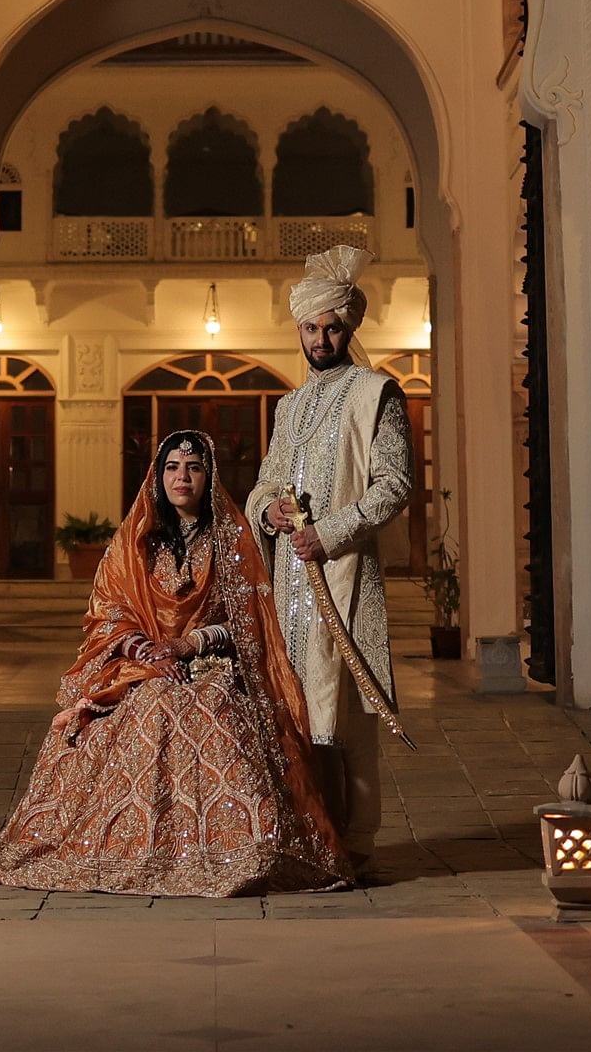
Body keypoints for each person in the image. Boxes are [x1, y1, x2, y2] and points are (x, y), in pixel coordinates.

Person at [0, 430, 347, 896]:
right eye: (172, 467)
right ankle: (132, 844)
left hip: (212, 665)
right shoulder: (135, 540)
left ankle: (231, 847)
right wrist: (146, 651)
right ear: (158, 475)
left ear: (208, 476)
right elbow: (108, 612)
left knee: (211, 706)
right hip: (142, 666)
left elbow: (251, 622)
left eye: (193, 467)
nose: (182, 477)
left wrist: (188, 645)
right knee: (150, 702)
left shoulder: (234, 538)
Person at [245, 242, 412, 875]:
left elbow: (394, 484)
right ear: (300, 331)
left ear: (349, 328)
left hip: (341, 575)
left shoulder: (377, 394)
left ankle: (358, 841)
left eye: (332, 326)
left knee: (344, 710)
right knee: (294, 707)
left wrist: (332, 532)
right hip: (289, 580)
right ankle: (308, 834)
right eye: (311, 328)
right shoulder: (289, 407)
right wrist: (270, 513)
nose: (321, 338)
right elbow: (265, 480)